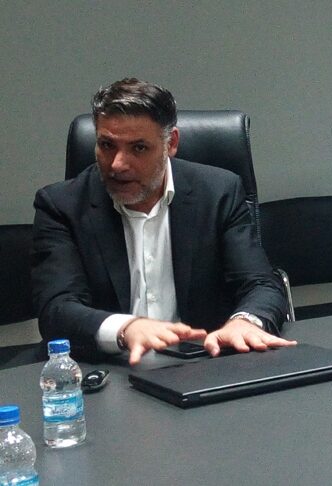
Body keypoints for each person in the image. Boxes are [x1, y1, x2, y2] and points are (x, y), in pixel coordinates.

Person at [32, 78, 295, 364]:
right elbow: (57, 309)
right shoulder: (61, 205)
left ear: (171, 144)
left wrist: (246, 321)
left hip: (203, 364)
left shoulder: (219, 192)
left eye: (138, 148)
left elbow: (261, 284)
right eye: (107, 145)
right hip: (109, 368)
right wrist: (125, 328)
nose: (118, 164)